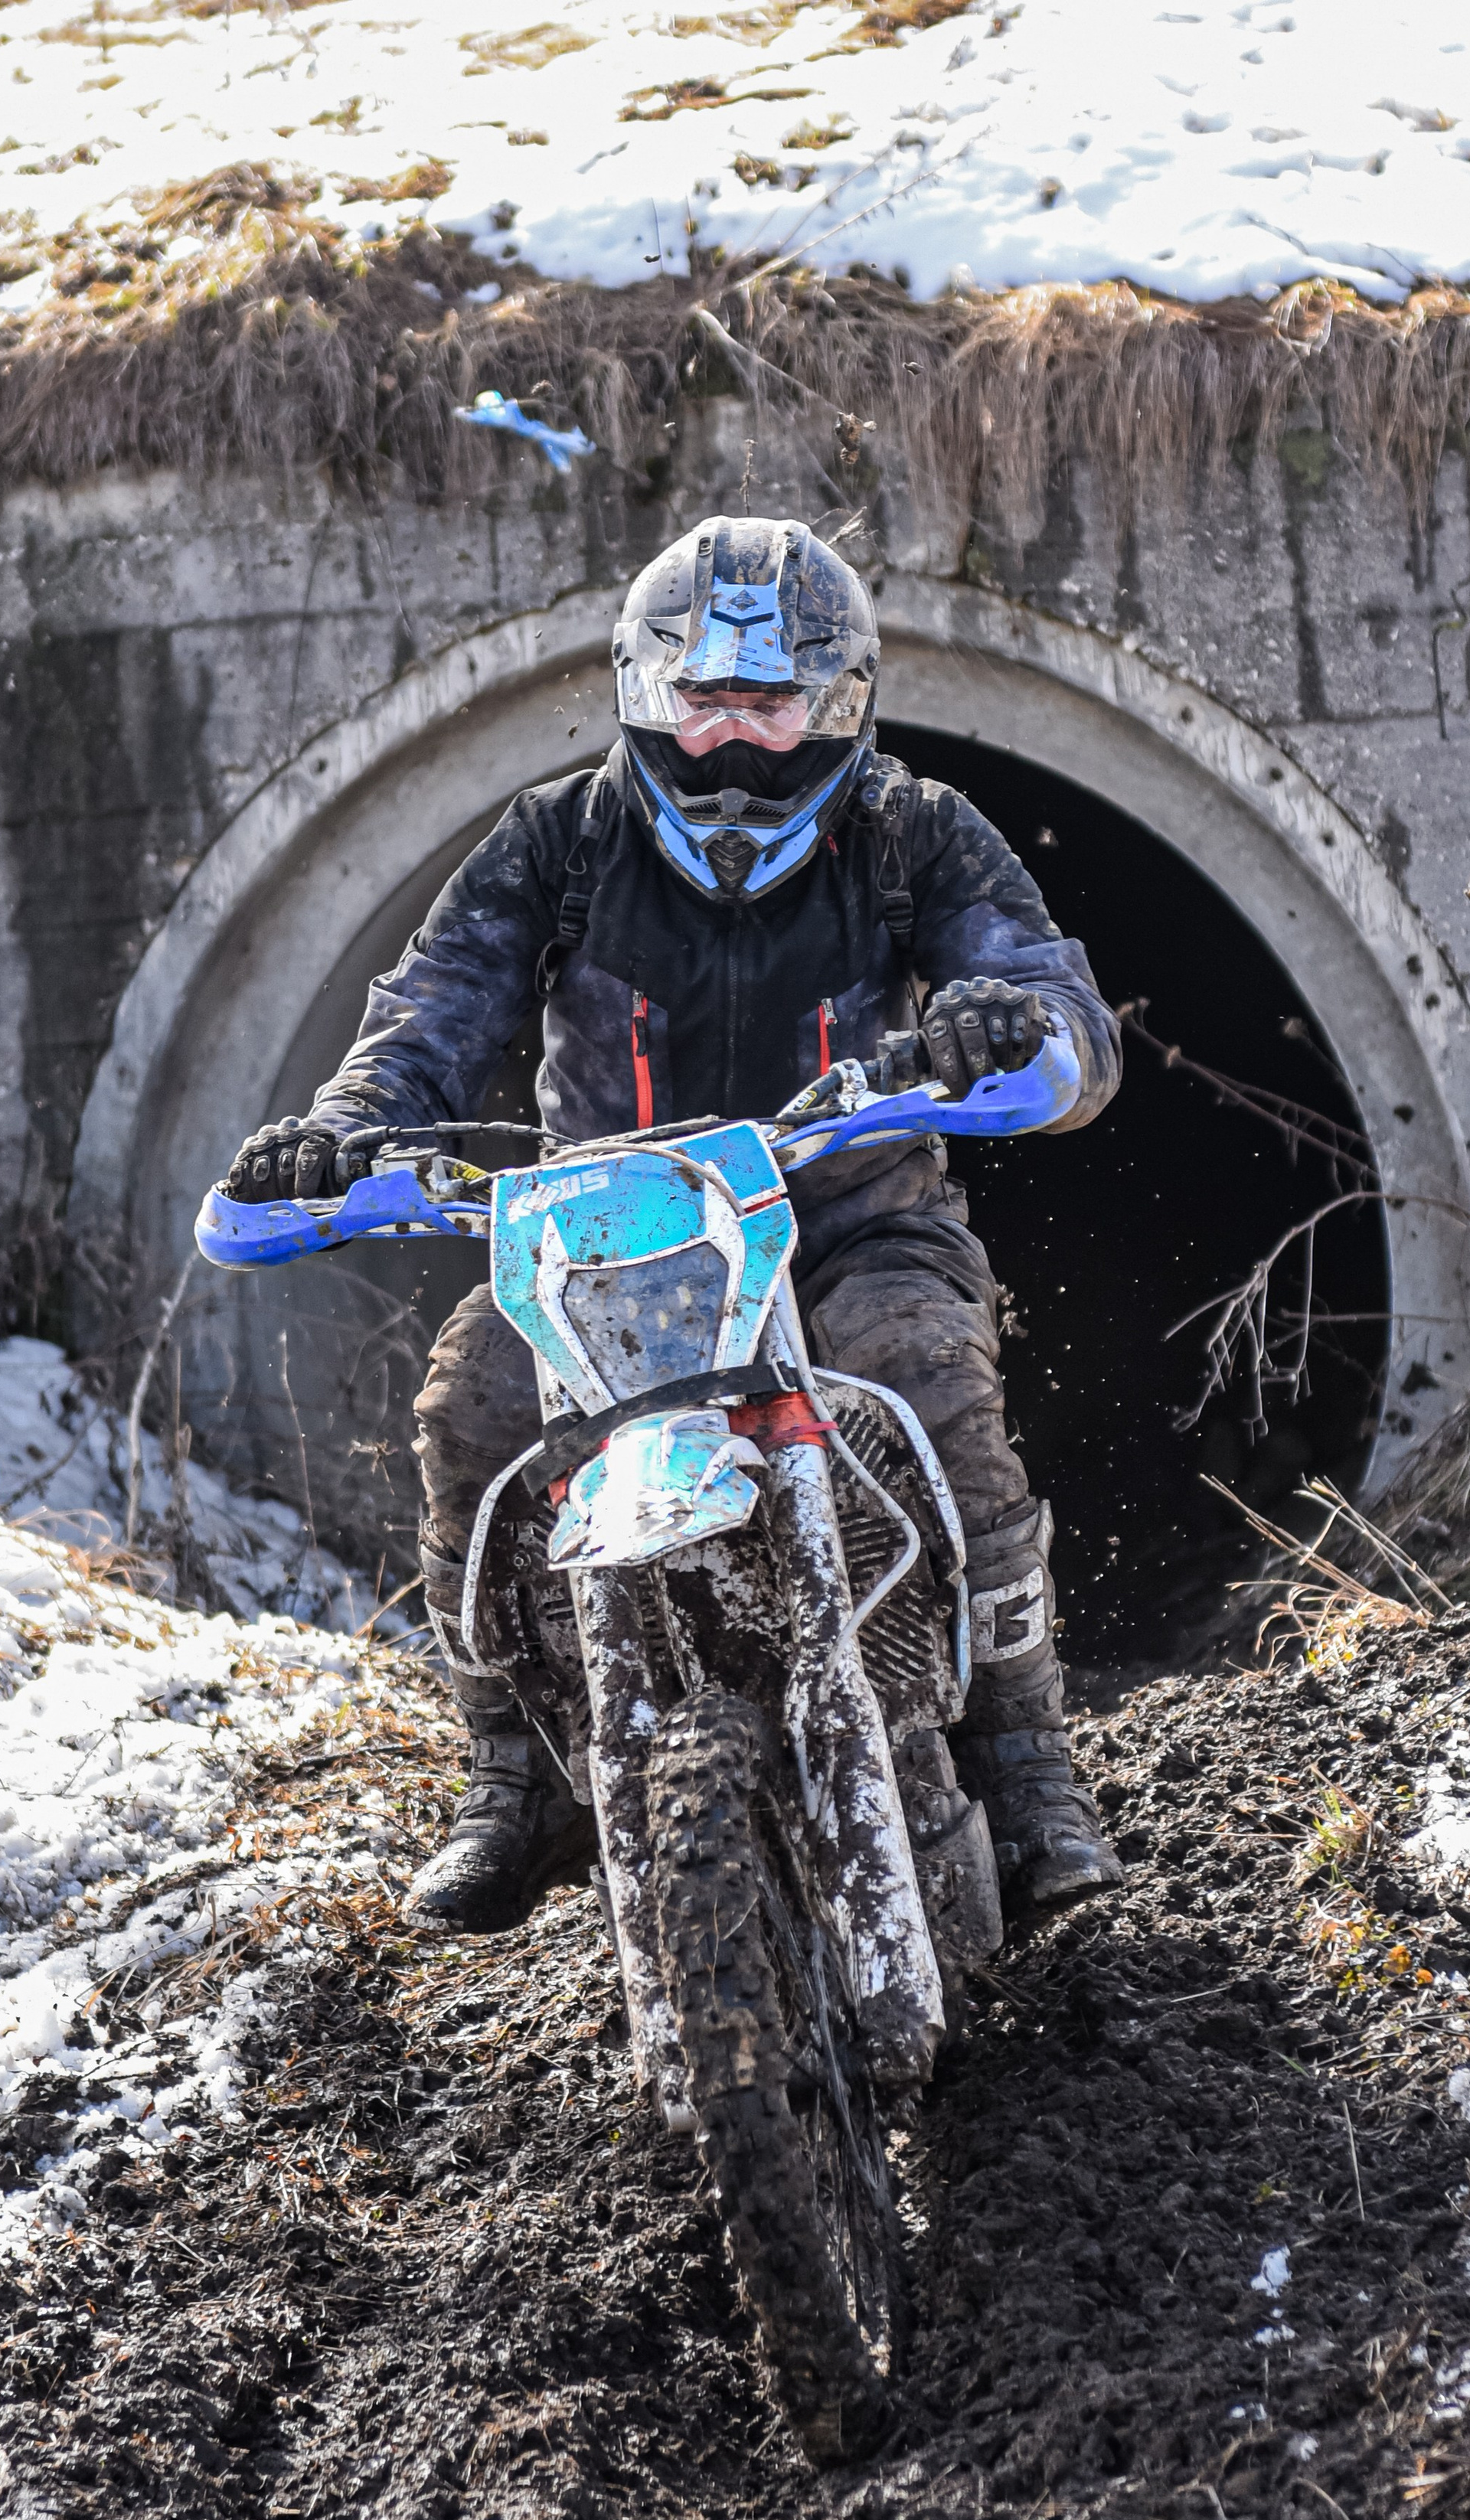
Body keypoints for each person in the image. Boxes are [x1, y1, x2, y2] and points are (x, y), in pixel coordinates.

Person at [224, 517, 1125, 1934]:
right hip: (612, 1251)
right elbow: (428, 1014)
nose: (732, 743)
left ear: (837, 703)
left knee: (932, 1374)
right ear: (647, 692)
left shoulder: (916, 834)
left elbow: (1054, 1006)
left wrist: (1011, 1025)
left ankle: (1026, 1765)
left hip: (849, 1222)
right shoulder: (556, 841)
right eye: (702, 699)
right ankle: (510, 1781)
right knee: (473, 1404)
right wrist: (343, 1135)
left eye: (768, 703)